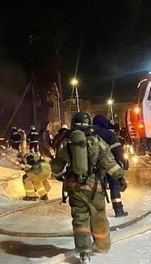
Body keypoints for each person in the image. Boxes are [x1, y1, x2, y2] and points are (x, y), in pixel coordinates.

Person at [51, 112, 127, 263]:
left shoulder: (67, 143)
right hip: (95, 187)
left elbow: (57, 166)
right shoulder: (97, 141)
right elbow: (108, 162)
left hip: (75, 188)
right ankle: (102, 245)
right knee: (98, 215)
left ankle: (84, 251)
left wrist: (59, 175)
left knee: (80, 218)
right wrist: (120, 177)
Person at [92, 114, 130, 217]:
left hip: (94, 167)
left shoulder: (91, 134)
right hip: (110, 165)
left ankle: (97, 212)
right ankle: (118, 210)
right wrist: (123, 162)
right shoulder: (109, 135)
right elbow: (117, 151)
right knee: (114, 185)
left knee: (95, 187)